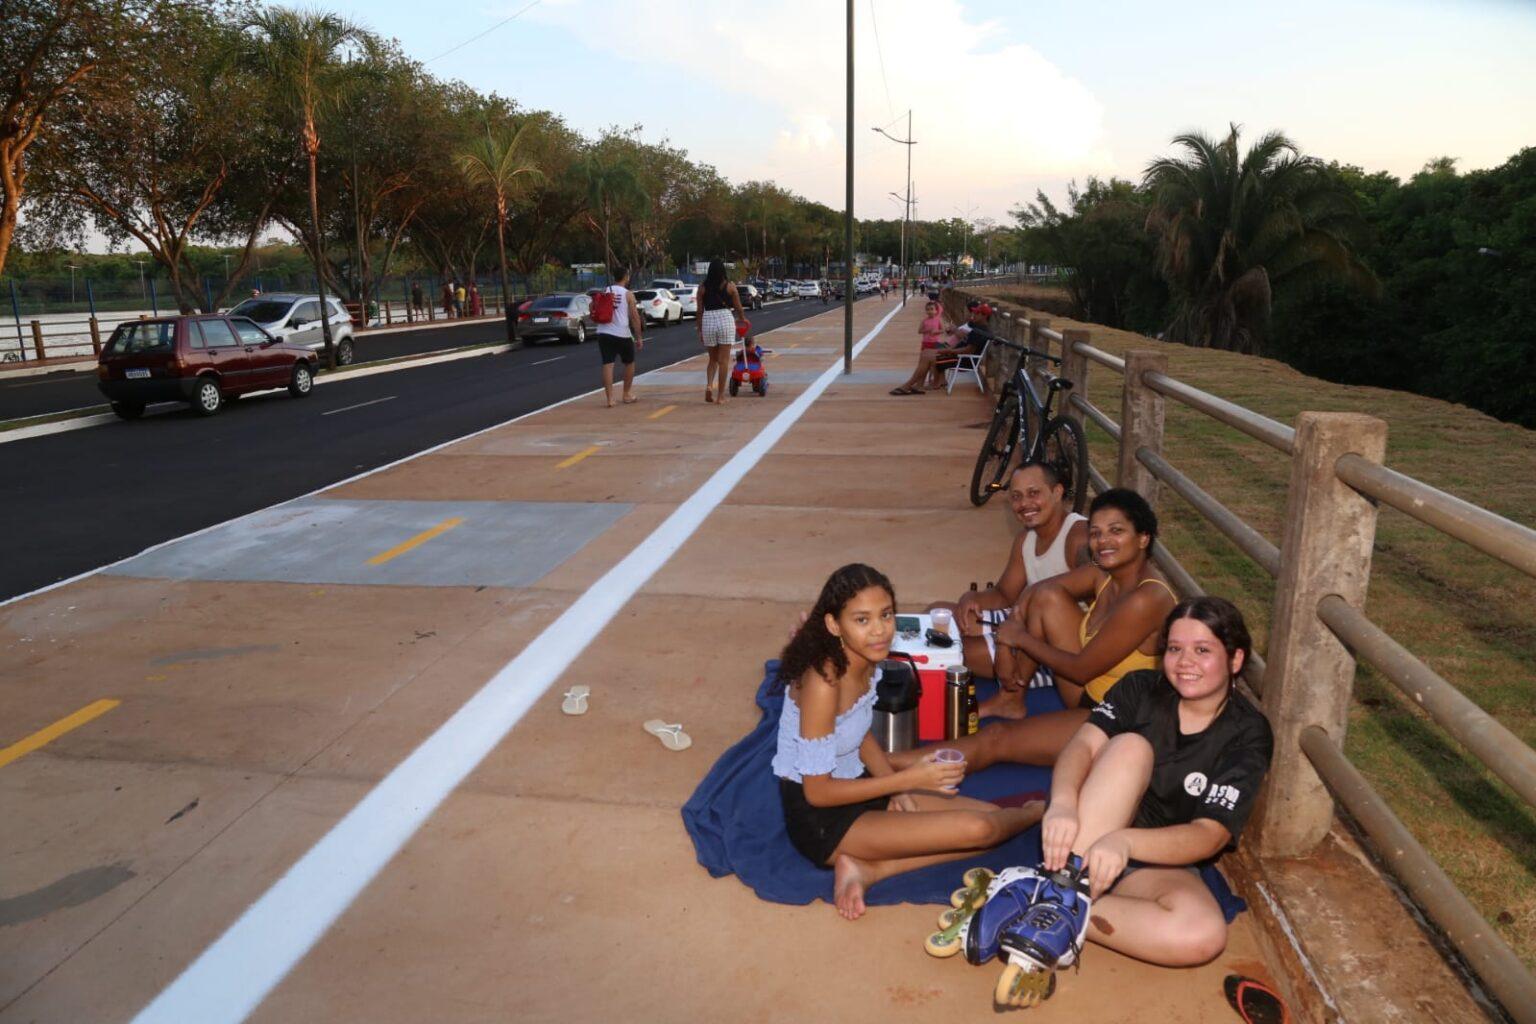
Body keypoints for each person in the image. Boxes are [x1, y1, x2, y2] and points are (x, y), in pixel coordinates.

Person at [977, 597, 1272, 1003]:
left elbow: (1209, 835)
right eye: (1174, 648)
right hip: (1092, 831)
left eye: (1203, 650)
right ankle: (1062, 890)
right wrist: (1062, 803)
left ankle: (1041, 907)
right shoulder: (1140, 688)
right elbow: (1081, 746)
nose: (1185, 662)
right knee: (1131, 747)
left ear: (1235, 659)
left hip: (1157, 855)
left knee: (1204, 936)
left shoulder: (1248, 732)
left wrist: (1127, 843)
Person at [774, 563, 1044, 921]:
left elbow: (857, 733)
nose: (879, 631)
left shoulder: (866, 659)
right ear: (833, 624)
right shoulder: (824, 682)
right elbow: (817, 793)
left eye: (885, 615)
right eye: (862, 619)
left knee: (991, 816)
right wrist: (908, 780)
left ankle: (870, 870)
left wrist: (897, 791)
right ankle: (1034, 813)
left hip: (865, 784)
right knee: (984, 829)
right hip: (823, 819)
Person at [891, 488, 1176, 771]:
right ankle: (1011, 700)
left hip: (1117, 715)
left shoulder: (1147, 599)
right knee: (1047, 597)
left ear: (1143, 538)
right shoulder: (1103, 573)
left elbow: (1080, 670)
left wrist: (1021, 640)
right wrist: (1006, 641)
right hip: (1085, 690)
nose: (1103, 541)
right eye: (1096, 533)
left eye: (1116, 531)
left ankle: (894, 767)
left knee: (997, 738)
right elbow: (1038, 591)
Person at [933, 461, 1089, 697]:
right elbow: (1005, 594)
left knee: (956, 652)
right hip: (1025, 623)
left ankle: (1017, 686)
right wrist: (971, 597)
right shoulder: (1026, 539)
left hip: (1060, 646)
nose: (1025, 504)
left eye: (1033, 493)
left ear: (1057, 492)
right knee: (939, 615)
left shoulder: (1078, 536)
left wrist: (1011, 635)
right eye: (1016, 497)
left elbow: (1100, 576)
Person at [695, 259, 745, 404]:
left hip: (708, 319)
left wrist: (700, 329)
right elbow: (738, 307)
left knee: (712, 360)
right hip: (725, 318)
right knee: (724, 361)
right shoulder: (730, 287)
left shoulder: (702, 288)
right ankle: (720, 396)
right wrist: (742, 319)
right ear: (723, 271)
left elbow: (699, 311)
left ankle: (709, 386)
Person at [595, 264, 644, 407]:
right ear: (626, 277)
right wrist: (639, 337)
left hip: (603, 332)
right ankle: (626, 394)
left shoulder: (606, 290)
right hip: (622, 333)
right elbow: (634, 317)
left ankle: (610, 399)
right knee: (629, 363)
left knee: (608, 365)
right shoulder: (628, 294)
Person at [889, 299, 954, 395]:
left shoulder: (938, 319)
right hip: (925, 343)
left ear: (936, 311)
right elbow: (919, 331)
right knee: (922, 363)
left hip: (934, 344)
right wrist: (926, 330)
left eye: (932, 309)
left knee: (931, 365)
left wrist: (936, 331)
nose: (930, 311)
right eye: (928, 309)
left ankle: (930, 382)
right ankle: (920, 383)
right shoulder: (924, 320)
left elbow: (942, 330)